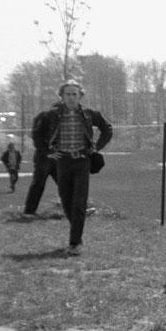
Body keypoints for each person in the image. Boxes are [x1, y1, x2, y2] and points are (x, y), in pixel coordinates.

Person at [30, 80, 113, 255]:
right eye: (67, 94)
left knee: (79, 201)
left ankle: (75, 242)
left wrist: (96, 147)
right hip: (62, 161)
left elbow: (107, 128)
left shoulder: (89, 115)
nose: (71, 97)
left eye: (74, 94)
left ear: (80, 96)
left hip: (82, 160)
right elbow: (36, 134)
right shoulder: (51, 115)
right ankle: (76, 227)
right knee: (66, 200)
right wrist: (47, 152)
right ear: (61, 96)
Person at [22, 111, 59, 218]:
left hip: (57, 157)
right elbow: (37, 138)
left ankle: (76, 209)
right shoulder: (44, 117)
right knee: (38, 184)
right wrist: (47, 152)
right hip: (44, 157)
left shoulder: (65, 116)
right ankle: (29, 211)